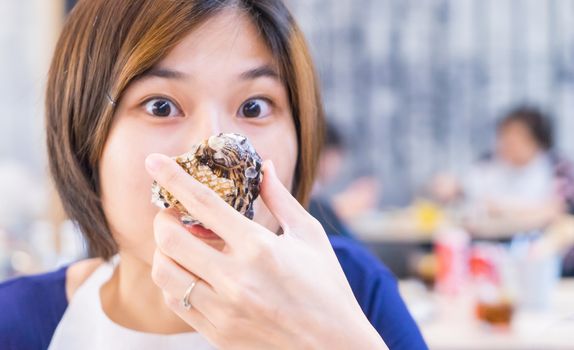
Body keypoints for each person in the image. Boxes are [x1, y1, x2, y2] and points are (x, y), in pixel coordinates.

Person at [0, 1, 427, 349]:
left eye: (255, 107)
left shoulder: (352, 291)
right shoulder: (18, 324)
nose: (216, 146)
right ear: (84, 142)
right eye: (160, 106)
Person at [431, 106, 573, 235]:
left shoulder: (557, 167)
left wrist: (503, 209)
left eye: (517, 138)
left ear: (538, 141)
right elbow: (463, 190)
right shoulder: (489, 163)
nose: (507, 143)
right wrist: (451, 187)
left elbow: (557, 211)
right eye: (504, 136)